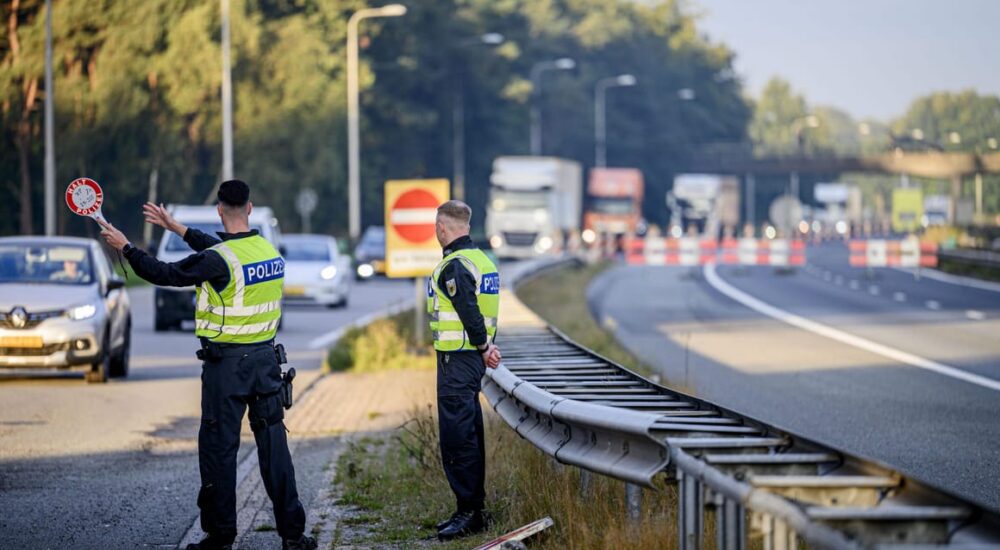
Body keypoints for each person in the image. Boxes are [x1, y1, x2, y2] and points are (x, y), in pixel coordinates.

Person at [97, 180, 316, 550]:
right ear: (249, 208)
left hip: (226, 368)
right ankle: (294, 535)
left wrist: (126, 248)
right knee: (274, 448)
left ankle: (220, 536)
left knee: (219, 450)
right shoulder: (266, 251)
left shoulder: (219, 261)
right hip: (265, 364)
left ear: (219, 210)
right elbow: (219, 250)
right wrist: (176, 227)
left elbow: (166, 274)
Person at [426, 200, 502, 541]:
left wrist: (484, 347)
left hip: (458, 360)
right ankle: (470, 509)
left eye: (436, 227)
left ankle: (469, 513)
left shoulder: (455, 265)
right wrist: (485, 347)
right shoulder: (482, 260)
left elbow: (469, 310)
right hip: (468, 361)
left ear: (442, 227)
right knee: (468, 432)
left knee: (458, 439)